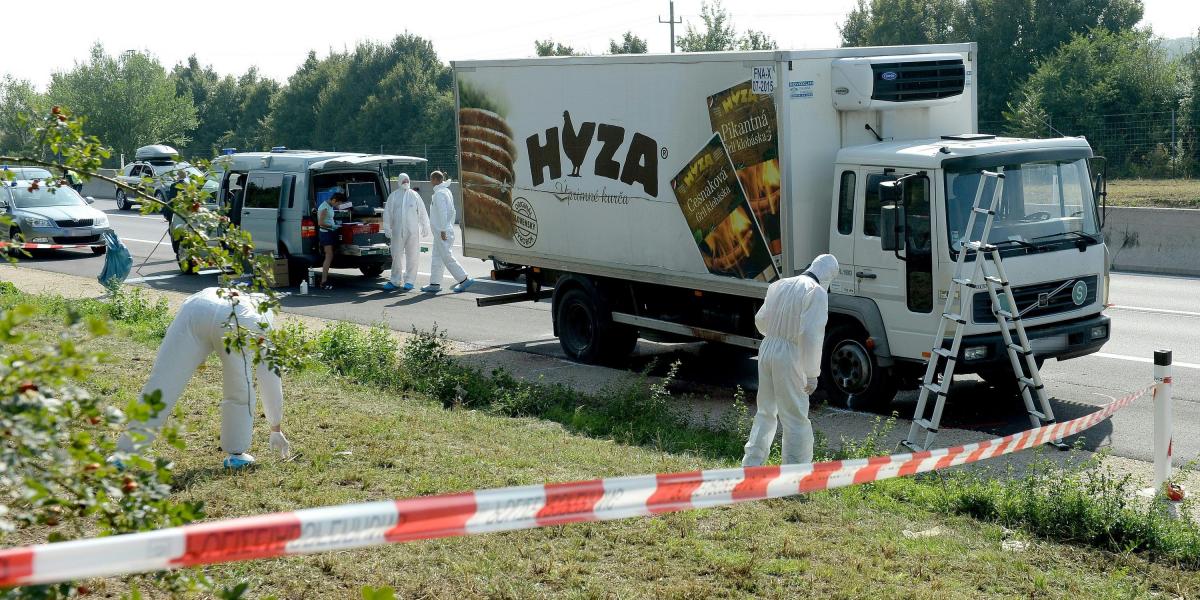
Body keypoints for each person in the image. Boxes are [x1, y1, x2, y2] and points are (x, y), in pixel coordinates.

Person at [116, 287, 291, 469]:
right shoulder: (261, 321)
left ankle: (125, 453)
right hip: (237, 322)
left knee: (162, 381)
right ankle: (236, 454)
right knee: (239, 388)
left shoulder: (224, 295)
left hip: (196, 308)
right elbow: (269, 374)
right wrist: (275, 427)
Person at [741, 254, 839, 467]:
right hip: (790, 354)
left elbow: (761, 321)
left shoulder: (779, 285)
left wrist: (778, 334)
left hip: (768, 348)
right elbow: (811, 336)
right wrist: (812, 373)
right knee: (795, 417)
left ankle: (751, 466)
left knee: (765, 412)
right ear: (828, 276)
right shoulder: (817, 292)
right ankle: (795, 476)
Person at [421, 171, 474, 293]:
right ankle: (435, 283)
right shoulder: (446, 191)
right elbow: (453, 211)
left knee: (446, 256)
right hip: (441, 231)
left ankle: (464, 279)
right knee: (436, 257)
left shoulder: (439, 194)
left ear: (434, 179)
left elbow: (443, 213)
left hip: (442, 231)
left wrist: (444, 229)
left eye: (431, 179)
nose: (430, 182)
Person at [382, 172, 430, 291]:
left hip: (413, 231)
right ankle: (395, 280)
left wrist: (425, 226)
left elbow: (422, 212)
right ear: (399, 182)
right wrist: (387, 228)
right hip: (397, 231)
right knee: (396, 255)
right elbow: (387, 213)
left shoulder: (415, 195)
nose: (405, 182)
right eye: (403, 181)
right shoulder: (393, 196)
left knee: (413, 256)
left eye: (407, 180)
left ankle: (409, 281)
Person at [317, 190, 345, 290]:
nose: (338, 205)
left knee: (330, 255)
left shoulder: (329, 206)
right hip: (325, 233)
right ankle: (323, 281)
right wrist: (333, 226)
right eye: (338, 203)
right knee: (329, 255)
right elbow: (320, 223)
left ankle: (324, 280)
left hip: (329, 232)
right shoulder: (324, 207)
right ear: (334, 200)